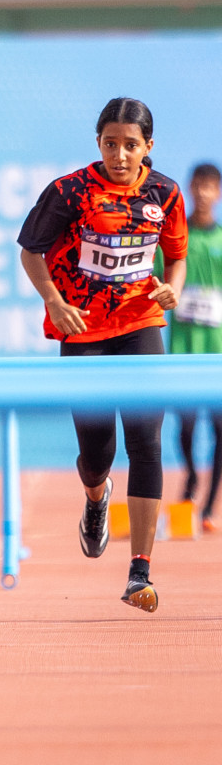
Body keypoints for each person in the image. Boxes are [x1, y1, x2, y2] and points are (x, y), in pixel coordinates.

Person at [18, 97, 186, 613]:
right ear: (99, 143)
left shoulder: (165, 193)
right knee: (97, 453)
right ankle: (96, 498)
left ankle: (140, 572)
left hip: (140, 324)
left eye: (130, 145)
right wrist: (54, 300)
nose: (119, 154)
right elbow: (31, 251)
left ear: (147, 148)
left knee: (147, 443)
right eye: (110, 144)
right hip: (85, 328)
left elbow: (175, 255)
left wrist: (172, 289)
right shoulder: (70, 192)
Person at [169, 162, 222, 529]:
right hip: (184, 349)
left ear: (217, 193)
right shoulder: (176, 237)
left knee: (220, 430)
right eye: (198, 185)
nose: (203, 192)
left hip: (216, 351)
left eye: (210, 186)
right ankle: (190, 474)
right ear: (189, 188)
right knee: (185, 428)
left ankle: (208, 507)